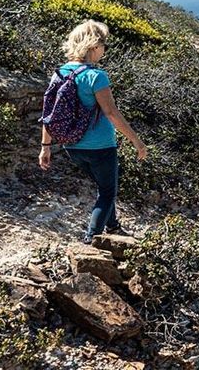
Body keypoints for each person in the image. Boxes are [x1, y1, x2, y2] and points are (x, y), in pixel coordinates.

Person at [38, 20, 147, 244]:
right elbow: (112, 113)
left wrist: (45, 147)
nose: (104, 50)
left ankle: (113, 226)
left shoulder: (58, 74)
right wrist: (137, 141)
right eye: (103, 44)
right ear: (94, 46)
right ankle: (91, 240)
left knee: (103, 186)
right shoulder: (96, 76)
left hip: (72, 146)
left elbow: (48, 113)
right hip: (101, 146)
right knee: (107, 192)